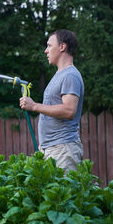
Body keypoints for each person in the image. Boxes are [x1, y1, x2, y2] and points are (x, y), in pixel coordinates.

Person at [19, 29, 84, 173]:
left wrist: (34, 105)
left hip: (63, 150)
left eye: (49, 46)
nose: (45, 51)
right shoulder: (59, 75)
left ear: (62, 47)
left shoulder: (70, 75)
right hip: (53, 149)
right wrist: (44, 146)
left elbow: (69, 110)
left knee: (63, 195)